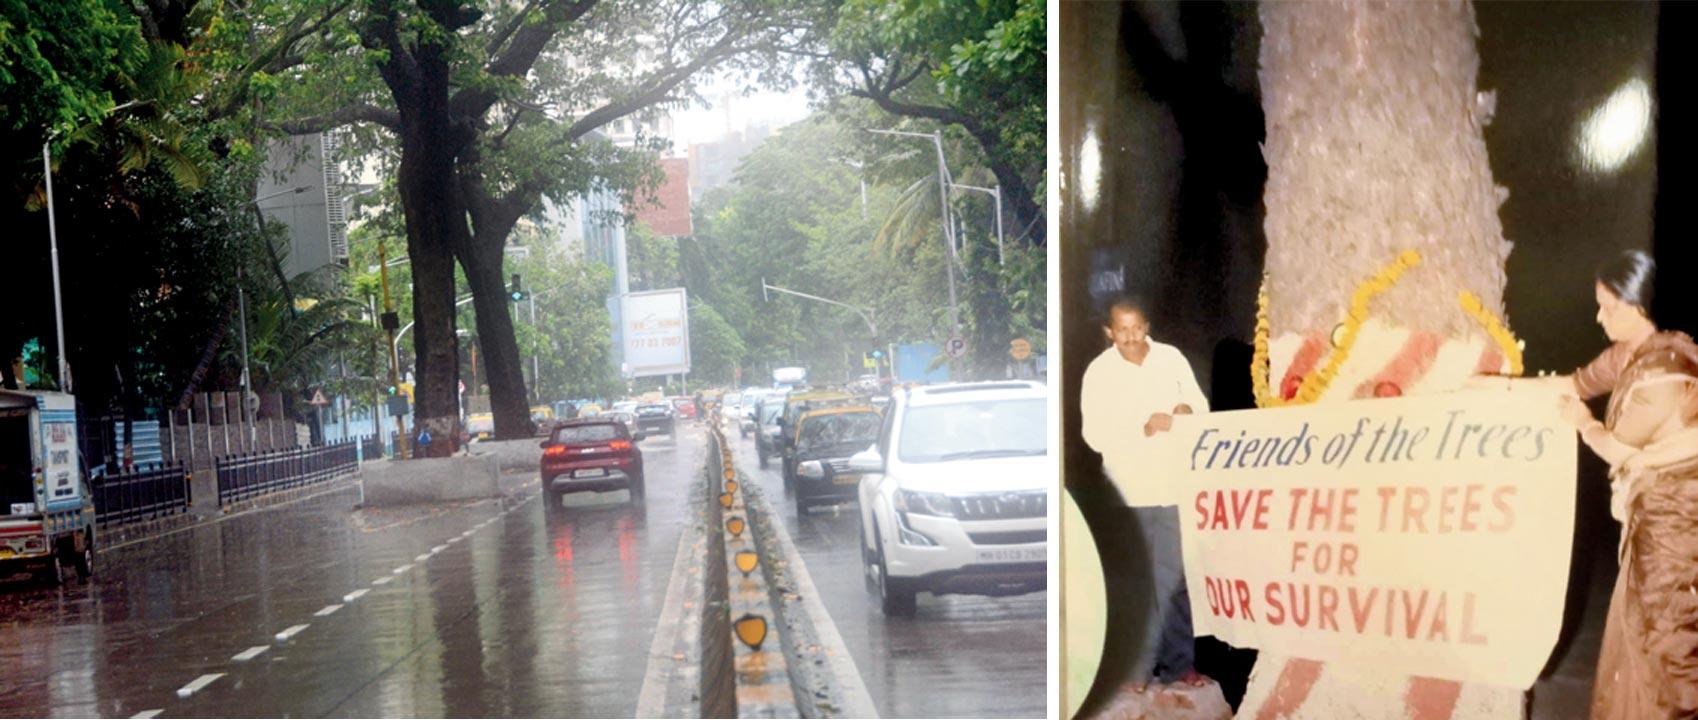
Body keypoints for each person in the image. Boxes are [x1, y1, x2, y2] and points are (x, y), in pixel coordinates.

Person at [1541, 251, 1698, 719]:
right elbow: (1571, 384)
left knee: (1668, 643)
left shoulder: (1665, 370)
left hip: (1678, 525)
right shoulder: (1627, 355)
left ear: (1638, 308)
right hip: (1647, 516)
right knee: (1637, 636)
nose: (1598, 316)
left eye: (1608, 306)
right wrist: (1493, 387)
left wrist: (1584, 425)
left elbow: (1618, 450)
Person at [1080, 293, 1210, 692]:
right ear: (1109, 332)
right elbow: (1093, 434)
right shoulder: (1098, 373)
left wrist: (1185, 412)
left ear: (1147, 327)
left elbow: (1202, 408)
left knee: (1173, 581)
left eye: (1137, 328)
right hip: (1128, 491)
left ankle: (1178, 667)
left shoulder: (1171, 359)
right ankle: (1134, 671)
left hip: (1171, 486)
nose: (1131, 337)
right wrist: (1142, 424)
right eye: (1122, 330)